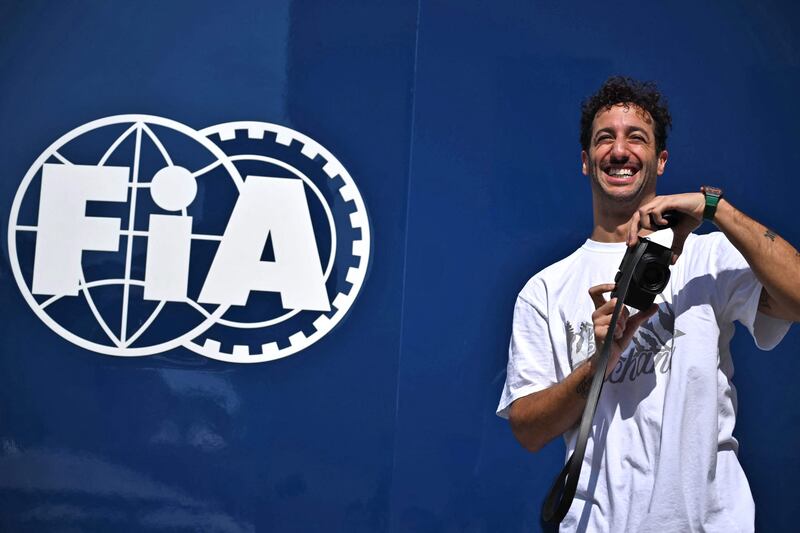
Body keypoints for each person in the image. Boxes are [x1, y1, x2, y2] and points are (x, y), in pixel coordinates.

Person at [496, 76, 800, 532]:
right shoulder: (544, 289)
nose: (619, 151)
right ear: (585, 161)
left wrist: (714, 207)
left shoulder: (706, 257)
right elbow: (528, 429)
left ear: (661, 160)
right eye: (605, 139)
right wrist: (598, 361)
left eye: (636, 137)